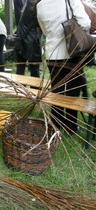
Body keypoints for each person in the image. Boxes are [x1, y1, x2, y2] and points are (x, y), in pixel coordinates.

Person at [37, 0, 91, 133]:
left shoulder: (40, 4)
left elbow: (44, 29)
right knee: (73, 93)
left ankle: (55, 124)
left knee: (57, 91)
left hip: (52, 54)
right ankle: (71, 126)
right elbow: (85, 22)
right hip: (71, 52)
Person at [14, 0, 42, 77]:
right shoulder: (40, 6)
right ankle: (35, 89)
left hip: (20, 40)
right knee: (34, 70)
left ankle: (20, 88)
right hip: (33, 42)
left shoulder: (26, 5)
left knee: (20, 69)